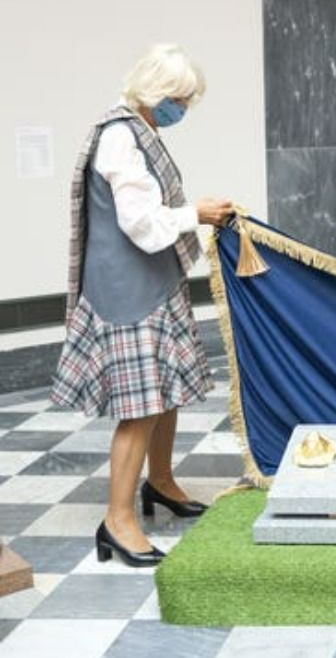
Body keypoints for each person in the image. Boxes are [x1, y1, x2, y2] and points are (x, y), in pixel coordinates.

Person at [50, 45, 235, 567]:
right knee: (140, 408)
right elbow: (141, 224)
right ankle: (118, 521)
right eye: (179, 99)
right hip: (128, 291)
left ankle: (162, 484)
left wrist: (190, 214)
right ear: (155, 94)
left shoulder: (140, 129)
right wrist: (193, 213)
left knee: (167, 392)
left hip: (154, 282)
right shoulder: (118, 138)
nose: (183, 109)